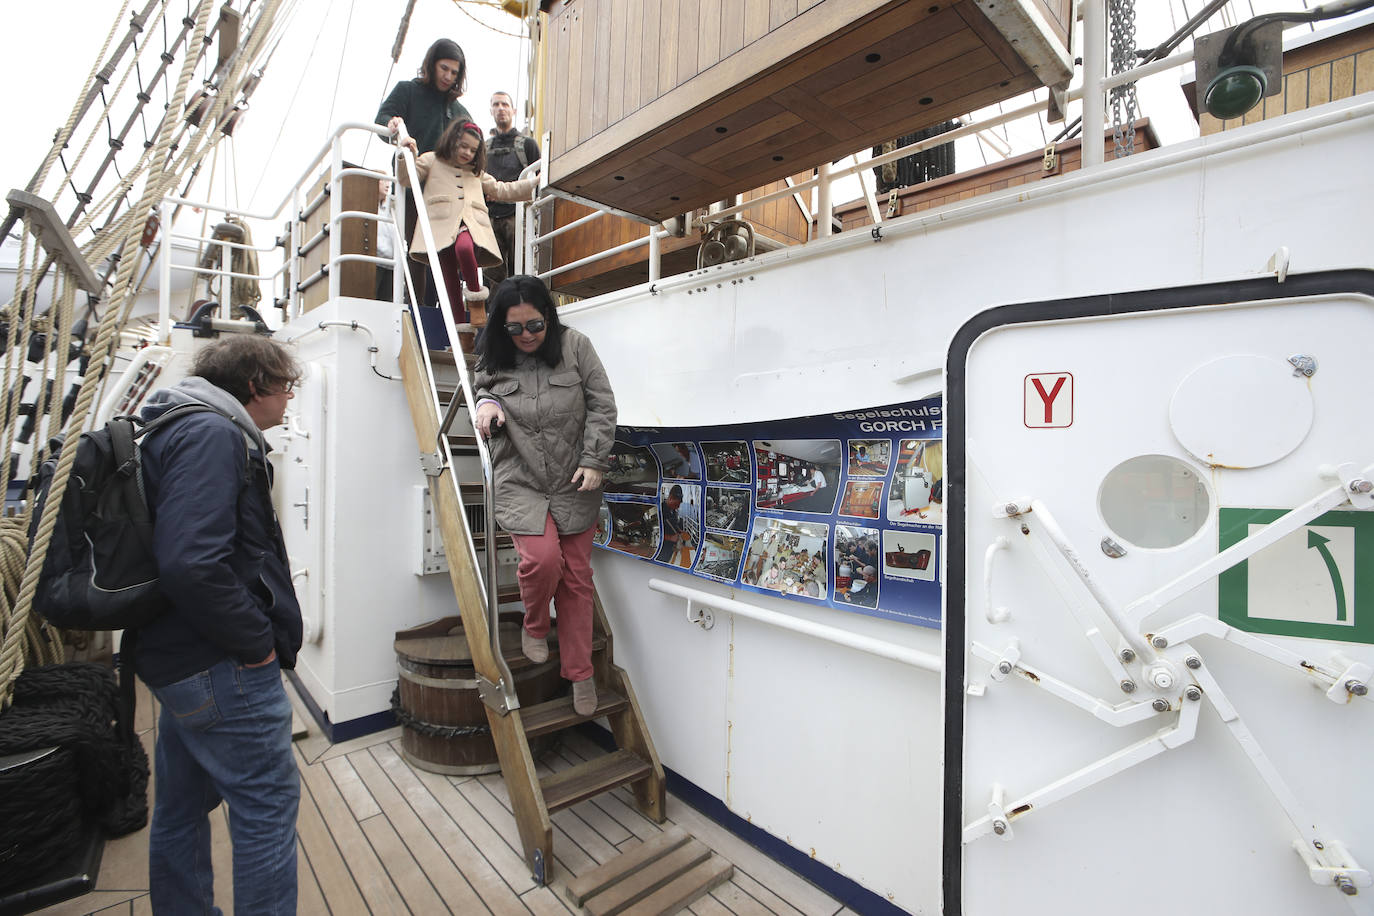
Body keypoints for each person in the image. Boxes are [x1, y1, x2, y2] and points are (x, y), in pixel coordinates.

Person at [135, 334, 304, 914]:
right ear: (255, 386)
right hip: (221, 668)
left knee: (180, 808)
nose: (289, 400)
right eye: (286, 387)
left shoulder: (176, 422)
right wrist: (257, 645)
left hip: (176, 659)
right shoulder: (213, 434)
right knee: (266, 812)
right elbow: (191, 563)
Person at [473, 276, 615, 716]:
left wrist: (594, 460)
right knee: (541, 560)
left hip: (575, 479)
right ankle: (534, 624)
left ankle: (581, 673)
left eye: (533, 325)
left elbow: (602, 405)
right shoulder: (494, 355)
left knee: (576, 580)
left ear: (548, 316)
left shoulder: (576, 347)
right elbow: (482, 391)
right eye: (514, 329)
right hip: (521, 477)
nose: (526, 336)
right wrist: (486, 405)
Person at [400, 120, 538, 327]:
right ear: (452, 140)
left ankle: (476, 301)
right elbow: (406, 179)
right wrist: (405, 155)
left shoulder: (476, 172)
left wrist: (533, 184)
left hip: (470, 223)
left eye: (473, 150)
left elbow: (501, 190)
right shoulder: (432, 160)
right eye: (463, 146)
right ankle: (463, 334)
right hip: (441, 226)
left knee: (465, 249)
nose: (467, 153)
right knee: (450, 281)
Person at [375, 39, 473, 305]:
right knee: (416, 250)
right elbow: (382, 120)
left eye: (454, 72)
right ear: (431, 64)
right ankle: (418, 308)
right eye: (444, 69)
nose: (448, 76)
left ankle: (444, 310)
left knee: (446, 251)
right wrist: (393, 125)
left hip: (447, 192)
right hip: (412, 185)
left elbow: (473, 145)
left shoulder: (459, 110)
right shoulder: (408, 91)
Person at [485, 91, 542, 286]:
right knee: (491, 277)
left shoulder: (527, 145)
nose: (501, 109)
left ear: (513, 110)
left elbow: (539, 178)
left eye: (505, 104)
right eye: (496, 105)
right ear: (491, 110)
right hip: (490, 219)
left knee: (522, 272)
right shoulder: (483, 149)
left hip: (519, 217)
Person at [656, 484, 690, 565]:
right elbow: (654, 533)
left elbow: (674, 524)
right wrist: (670, 537)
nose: (677, 507)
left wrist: (680, 531)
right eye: (676, 504)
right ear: (670, 498)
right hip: (662, 548)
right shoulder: (660, 510)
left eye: (679, 505)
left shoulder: (673, 511)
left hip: (671, 548)